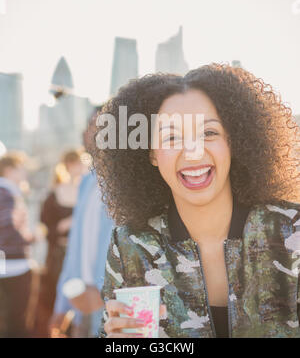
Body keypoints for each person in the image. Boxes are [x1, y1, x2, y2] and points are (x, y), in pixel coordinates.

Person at [93, 64, 300, 338]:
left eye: (209, 133)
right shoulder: (131, 246)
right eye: (170, 138)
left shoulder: (293, 231)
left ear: (233, 141)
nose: (192, 153)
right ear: (152, 155)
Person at [50, 107, 113, 338]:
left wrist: (102, 296)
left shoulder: (130, 188)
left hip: (112, 306)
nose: (94, 132)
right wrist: (62, 306)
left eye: (103, 126)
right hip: (81, 305)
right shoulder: (87, 183)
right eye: (91, 126)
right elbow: (74, 251)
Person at [36, 149, 86, 337]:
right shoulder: (53, 195)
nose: (77, 168)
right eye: (73, 164)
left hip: (83, 254)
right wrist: (63, 225)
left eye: (80, 163)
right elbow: (45, 228)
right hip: (60, 255)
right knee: (58, 297)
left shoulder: (88, 191)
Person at [0, 152, 34, 338]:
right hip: (13, 266)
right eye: (21, 169)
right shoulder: (6, 192)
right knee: (16, 324)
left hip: (8, 266)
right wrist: (29, 237)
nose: (24, 173)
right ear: (9, 169)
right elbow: (7, 224)